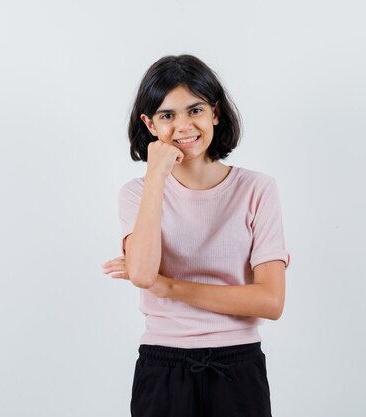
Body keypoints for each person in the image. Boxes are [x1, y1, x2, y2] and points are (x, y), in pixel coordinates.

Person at [101, 54, 291, 417]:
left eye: (195, 110)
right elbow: (142, 274)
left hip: (238, 366)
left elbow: (270, 301)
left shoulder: (258, 189)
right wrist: (156, 174)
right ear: (150, 124)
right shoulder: (136, 193)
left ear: (215, 113)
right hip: (163, 367)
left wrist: (168, 287)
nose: (184, 125)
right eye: (167, 115)